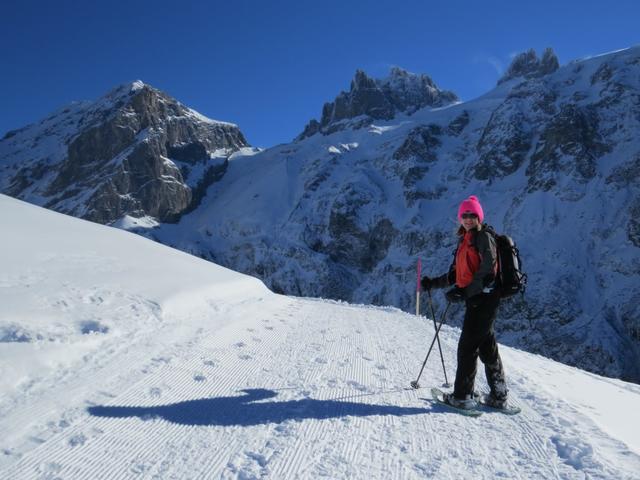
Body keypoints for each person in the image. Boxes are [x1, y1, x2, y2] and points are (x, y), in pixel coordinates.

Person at [421, 195, 509, 409]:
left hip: (485, 299)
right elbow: (457, 274)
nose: (468, 218)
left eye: (472, 215)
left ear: (479, 216)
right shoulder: (466, 239)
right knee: (487, 346)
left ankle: (462, 396)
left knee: (467, 347)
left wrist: (464, 292)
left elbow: (489, 268)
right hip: (478, 299)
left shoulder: (483, 237)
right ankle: (499, 396)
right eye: (464, 215)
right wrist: (434, 283)